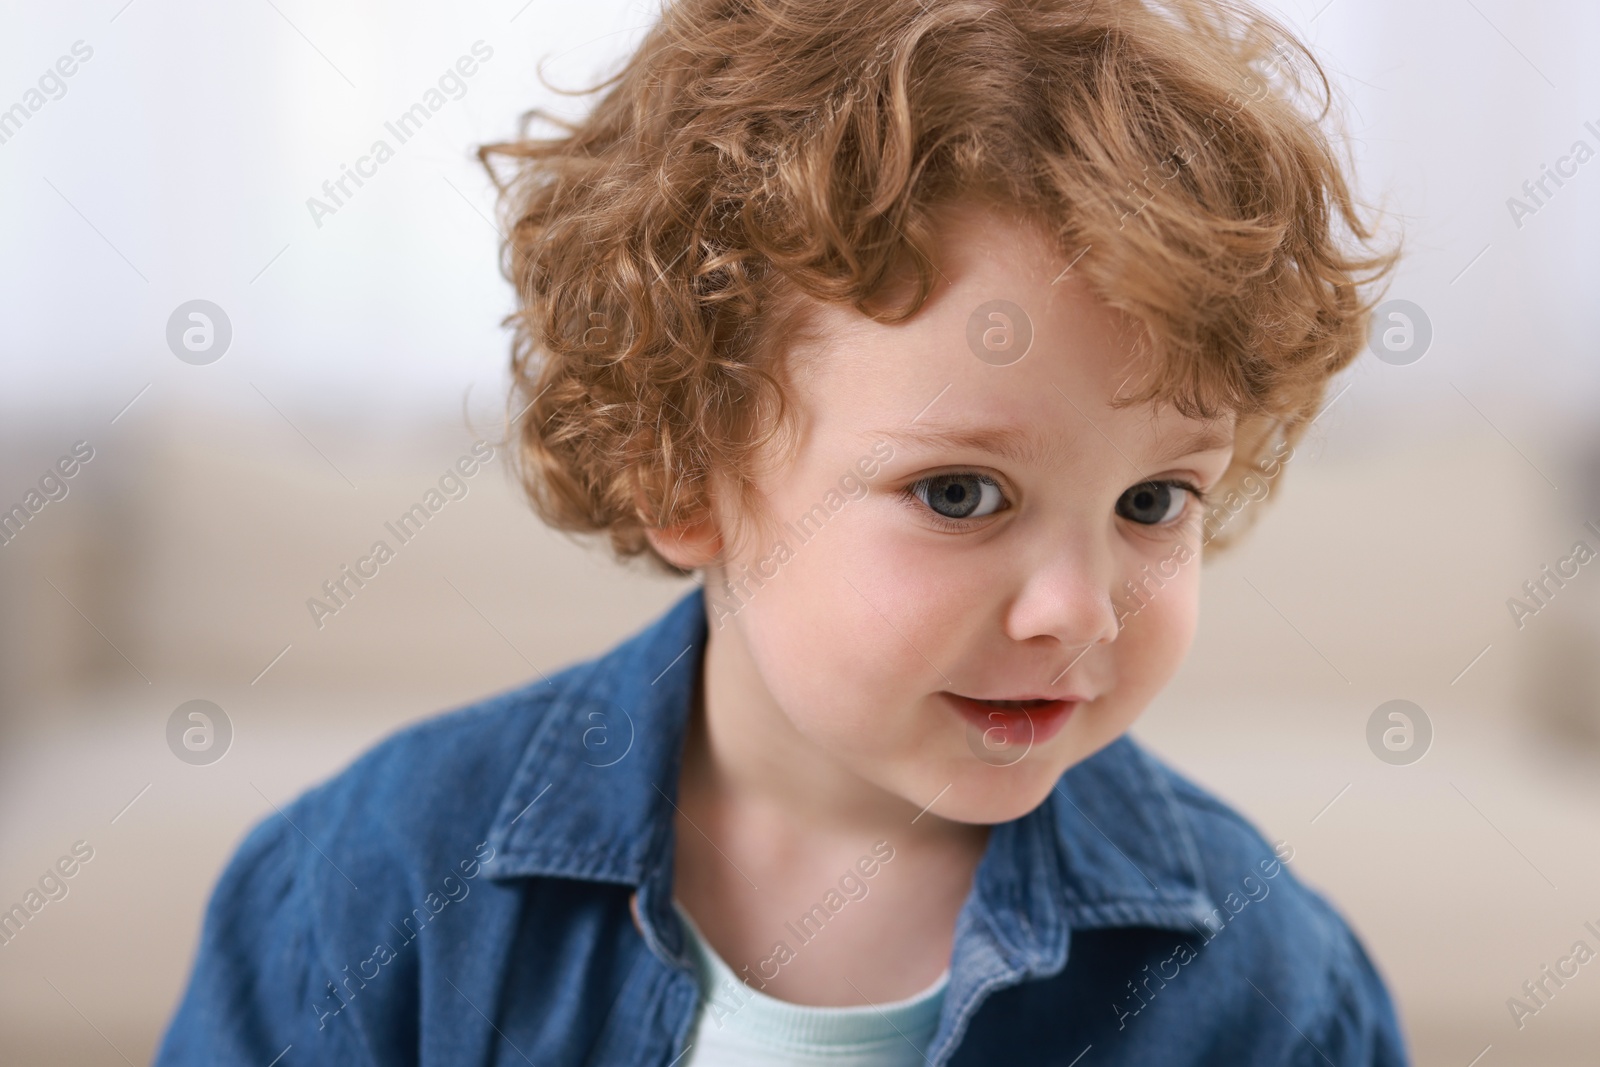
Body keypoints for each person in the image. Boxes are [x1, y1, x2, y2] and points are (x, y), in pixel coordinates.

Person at [155, 0, 1406, 1062]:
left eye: (1152, 502)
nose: (1076, 609)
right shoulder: (371, 890)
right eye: (959, 493)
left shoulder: (1271, 988)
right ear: (683, 469)